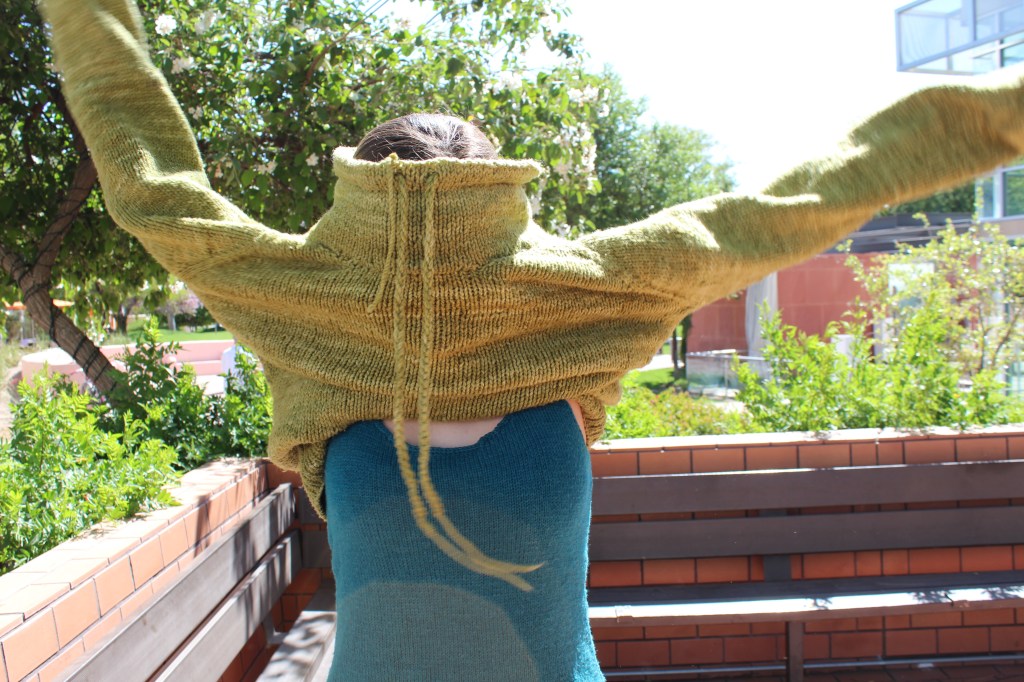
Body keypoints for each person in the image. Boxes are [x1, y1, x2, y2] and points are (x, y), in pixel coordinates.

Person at [38, 0, 1024, 679]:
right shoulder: (339, 307)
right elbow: (149, 183)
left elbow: (802, 199)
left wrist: (999, 114)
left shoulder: (556, 297)